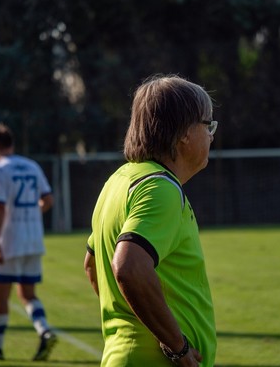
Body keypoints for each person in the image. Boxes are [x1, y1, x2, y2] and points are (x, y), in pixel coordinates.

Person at [84, 74, 218, 366]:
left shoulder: (119, 180)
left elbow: (91, 264)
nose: (211, 135)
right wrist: (177, 347)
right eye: (208, 125)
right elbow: (128, 267)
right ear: (184, 132)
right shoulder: (160, 188)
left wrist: (132, 318)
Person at [0, 123, 57, 361]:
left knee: (0, 296)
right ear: (11, 143)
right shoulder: (32, 166)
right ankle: (44, 330)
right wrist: (32, 215)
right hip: (33, 239)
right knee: (28, 294)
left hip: (9, 240)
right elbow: (48, 200)